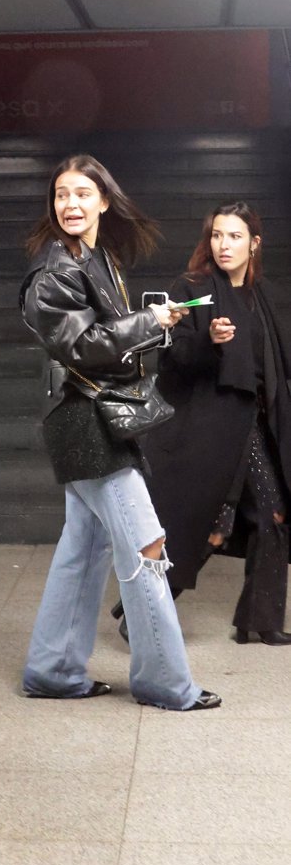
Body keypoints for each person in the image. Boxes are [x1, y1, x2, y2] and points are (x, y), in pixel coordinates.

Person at [19, 154, 221, 710]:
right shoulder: (55, 271)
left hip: (92, 416)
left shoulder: (98, 258)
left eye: (82, 194)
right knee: (146, 544)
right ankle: (164, 683)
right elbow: (80, 347)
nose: (70, 205)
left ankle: (53, 670)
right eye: (62, 194)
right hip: (86, 422)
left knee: (82, 549)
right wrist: (148, 323)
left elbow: (105, 337)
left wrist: (154, 325)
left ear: (103, 201)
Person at [139, 201, 291, 645]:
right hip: (210, 427)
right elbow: (171, 355)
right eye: (217, 236)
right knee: (211, 527)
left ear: (254, 243)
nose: (224, 245)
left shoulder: (263, 297)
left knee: (274, 516)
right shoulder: (193, 288)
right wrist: (209, 341)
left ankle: (259, 621)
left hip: (254, 425)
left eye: (235, 236)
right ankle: (142, 615)